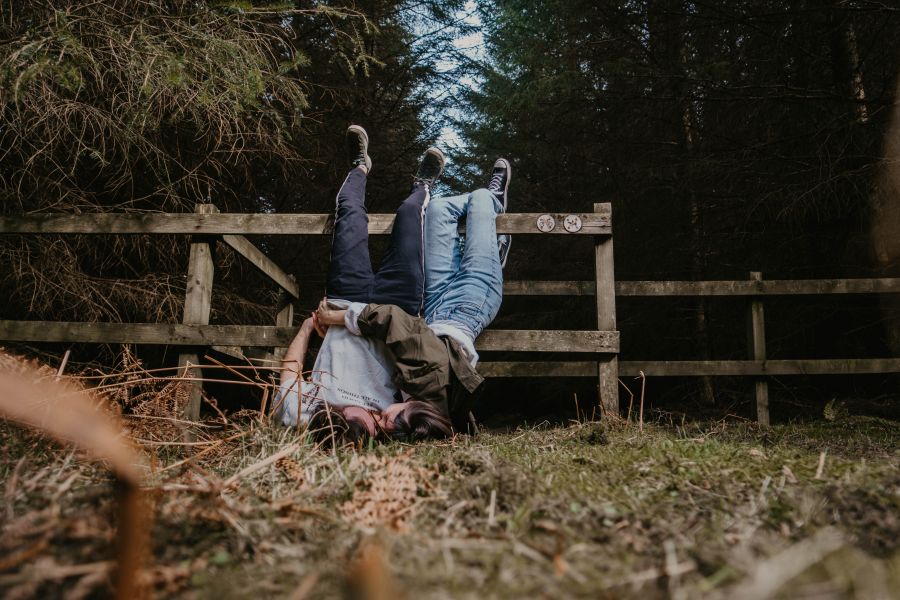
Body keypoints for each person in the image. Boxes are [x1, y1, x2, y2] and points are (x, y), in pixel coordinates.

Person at [275, 125, 511, 443]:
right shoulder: (399, 418)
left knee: (349, 213)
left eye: (353, 419)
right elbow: (408, 338)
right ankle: (423, 186)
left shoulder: (309, 415)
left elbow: (289, 375)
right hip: (396, 307)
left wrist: (306, 327)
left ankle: (360, 166)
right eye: (369, 427)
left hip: (345, 302)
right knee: (411, 215)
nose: (372, 417)